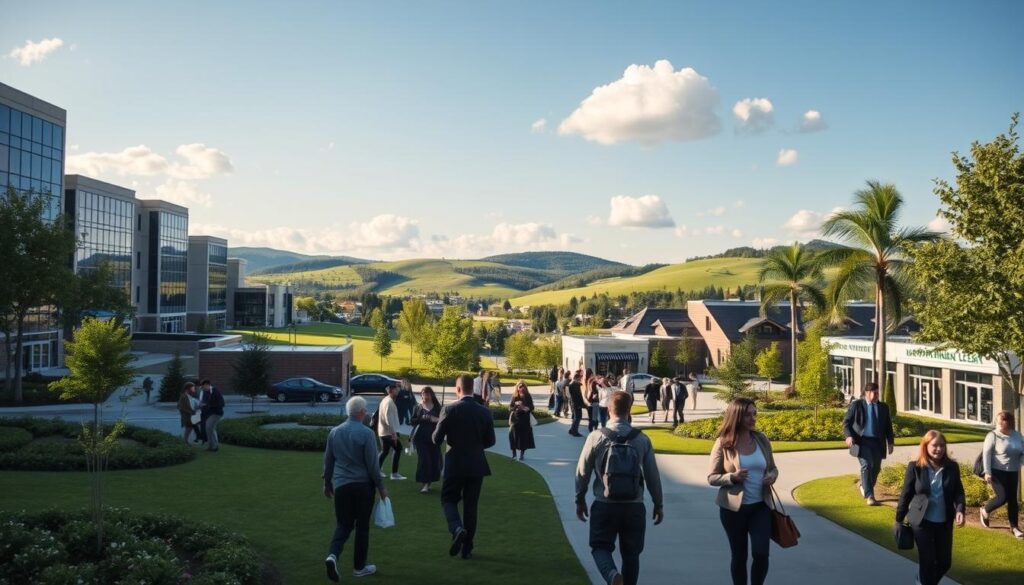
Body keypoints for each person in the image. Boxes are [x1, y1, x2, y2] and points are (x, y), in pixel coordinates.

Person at [575, 390, 664, 585]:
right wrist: (658, 503)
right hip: (634, 506)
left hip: (604, 503)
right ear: (629, 410)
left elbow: (582, 472)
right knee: (631, 555)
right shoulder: (641, 439)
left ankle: (612, 575)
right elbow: (652, 476)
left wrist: (579, 499)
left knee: (600, 547)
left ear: (608, 410)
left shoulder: (596, 437)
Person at [707, 398, 779, 585]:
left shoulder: (761, 439)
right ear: (737, 416)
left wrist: (772, 475)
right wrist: (732, 477)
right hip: (733, 510)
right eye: (748, 414)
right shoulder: (723, 443)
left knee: (761, 553)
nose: (753, 418)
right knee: (739, 556)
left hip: (760, 506)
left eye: (754, 413)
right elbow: (712, 477)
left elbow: (773, 468)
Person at [322, 396, 389, 581]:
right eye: (365, 410)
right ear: (360, 412)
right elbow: (373, 466)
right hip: (362, 487)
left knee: (343, 524)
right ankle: (359, 567)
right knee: (362, 527)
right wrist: (381, 488)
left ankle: (332, 555)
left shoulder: (334, 432)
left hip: (342, 485)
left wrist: (327, 483)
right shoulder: (366, 433)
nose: (366, 412)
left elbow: (328, 461)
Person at [432, 374, 496, 559]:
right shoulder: (484, 411)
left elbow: (436, 439)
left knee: (448, 500)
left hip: (455, 463)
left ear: (458, 389)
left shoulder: (450, 410)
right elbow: (490, 441)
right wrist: (474, 447)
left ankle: (456, 528)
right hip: (477, 464)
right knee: (471, 506)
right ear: (472, 389)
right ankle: (467, 548)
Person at [895, 430, 965, 585]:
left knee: (944, 562)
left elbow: (958, 492)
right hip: (921, 521)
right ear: (925, 446)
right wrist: (899, 520)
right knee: (927, 561)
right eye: (935, 446)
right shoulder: (915, 467)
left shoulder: (952, 467)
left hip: (944, 520)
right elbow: (906, 494)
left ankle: (922, 581)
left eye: (942, 445)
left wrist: (960, 509)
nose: (939, 449)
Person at [842, 381, 895, 505]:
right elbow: (846, 422)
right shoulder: (857, 405)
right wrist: (849, 436)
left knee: (876, 468)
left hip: (877, 442)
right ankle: (870, 496)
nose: (877, 395)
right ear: (867, 393)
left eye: (878, 393)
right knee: (867, 465)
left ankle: (864, 486)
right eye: (874, 393)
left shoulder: (883, 407)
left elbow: (888, 426)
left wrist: (890, 442)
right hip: (861, 442)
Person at [980, 410, 1024, 538]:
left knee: (1013, 500)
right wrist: (987, 472)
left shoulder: (1017, 436)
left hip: (1013, 471)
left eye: (1000, 423)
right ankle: (985, 510)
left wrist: (1020, 463)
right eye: (997, 422)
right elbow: (986, 454)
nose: (997, 425)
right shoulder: (992, 435)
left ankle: (1014, 527)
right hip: (996, 472)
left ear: (1008, 423)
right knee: (1002, 497)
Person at [411, 387, 442, 493]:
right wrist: (421, 418)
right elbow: (412, 421)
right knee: (424, 460)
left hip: (434, 438)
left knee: (434, 460)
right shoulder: (418, 407)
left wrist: (434, 419)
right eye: (423, 394)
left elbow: (443, 420)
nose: (425, 396)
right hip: (420, 438)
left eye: (427, 394)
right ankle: (424, 484)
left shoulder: (437, 407)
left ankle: (429, 483)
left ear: (431, 395)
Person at [377, 384, 405, 480]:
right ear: (392, 390)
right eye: (397, 389)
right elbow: (388, 419)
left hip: (384, 431)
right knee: (398, 448)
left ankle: (376, 470)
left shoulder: (386, 400)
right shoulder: (388, 402)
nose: (398, 391)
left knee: (385, 451)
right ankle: (394, 473)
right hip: (388, 432)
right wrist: (394, 434)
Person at [508, 381, 536, 461]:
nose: (521, 388)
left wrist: (526, 408)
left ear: (525, 387)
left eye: (522, 386)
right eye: (519, 386)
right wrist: (515, 408)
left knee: (523, 437)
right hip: (515, 419)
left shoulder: (527, 396)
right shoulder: (514, 396)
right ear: (517, 387)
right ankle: (514, 454)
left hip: (525, 419)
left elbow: (532, 407)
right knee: (512, 435)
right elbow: (510, 407)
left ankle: (522, 454)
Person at [200, 379, 225, 452]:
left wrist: (207, 405)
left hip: (217, 413)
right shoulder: (206, 392)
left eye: (203, 386)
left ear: (207, 385)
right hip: (210, 413)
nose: (203, 388)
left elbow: (222, 403)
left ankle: (215, 446)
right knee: (209, 428)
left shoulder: (215, 391)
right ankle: (211, 446)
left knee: (209, 427)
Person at [567, 372, 585, 437]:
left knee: (575, 417)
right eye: (580, 378)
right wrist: (581, 405)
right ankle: (575, 431)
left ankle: (572, 430)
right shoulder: (574, 385)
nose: (580, 380)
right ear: (576, 378)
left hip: (574, 403)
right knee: (578, 417)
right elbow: (577, 396)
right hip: (576, 404)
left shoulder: (572, 384)